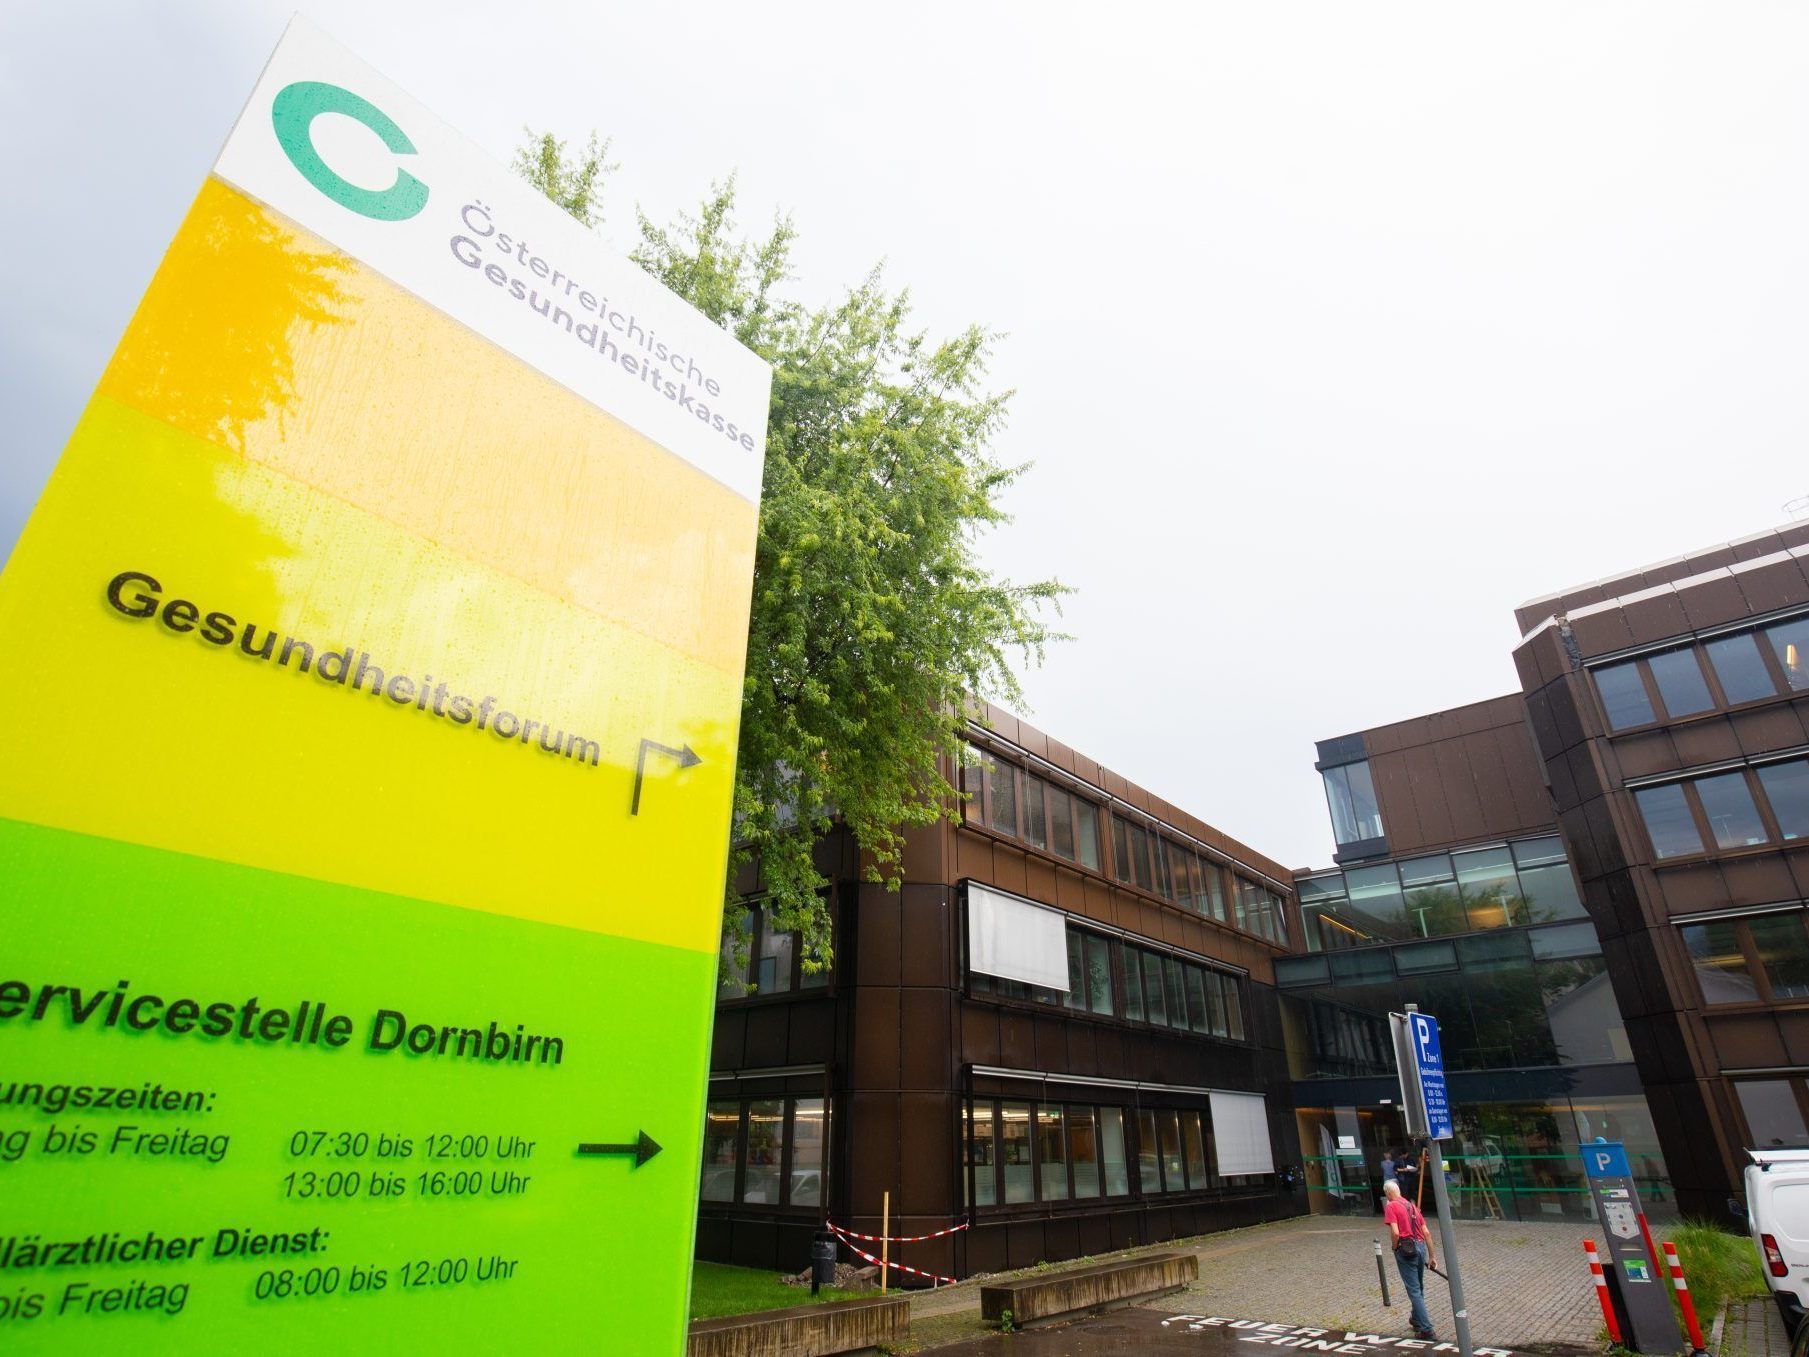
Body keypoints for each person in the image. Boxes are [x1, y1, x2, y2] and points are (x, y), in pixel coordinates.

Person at [1383, 1178, 1438, 1340]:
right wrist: (1432, 1256)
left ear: (1388, 1193)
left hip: (1406, 1249)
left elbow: (1395, 1232)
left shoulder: (1391, 1206)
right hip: (1420, 1247)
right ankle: (1416, 1319)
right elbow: (1426, 1232)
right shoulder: (1412, 1206)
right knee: (1418, 1286)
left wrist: (1395, 1247)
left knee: (1413, 1289)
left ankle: (1427, 1329)